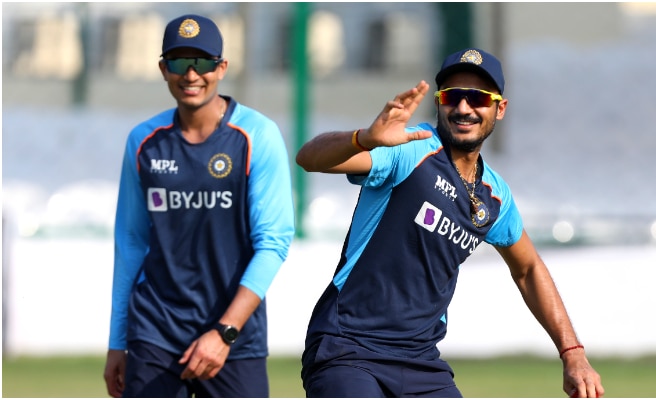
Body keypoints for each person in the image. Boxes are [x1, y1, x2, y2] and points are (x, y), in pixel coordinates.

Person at [296, 48, 604, 398]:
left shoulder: (495, 197)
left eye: (478, 98)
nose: (463, 108)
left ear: (499, 109)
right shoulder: (411, 148)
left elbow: (529, 268)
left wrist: (573, 353)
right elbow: (309, 158)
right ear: (440, 103)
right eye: (453, 97)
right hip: (348, 348)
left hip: (420, 361)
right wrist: (363, 138)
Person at [103, 14, 295, 398]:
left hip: (233, 335)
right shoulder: (143, 141)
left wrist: (225, 332)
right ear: (163, 69)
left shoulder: (257, 135)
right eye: (178, 62)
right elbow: (130, 242)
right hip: (155, 330)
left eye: (203, 62)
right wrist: (117, 341)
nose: (191, 74)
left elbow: (273, 243)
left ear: (221, 68)